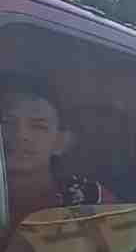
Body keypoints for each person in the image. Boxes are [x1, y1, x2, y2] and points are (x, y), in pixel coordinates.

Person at [2, 82, 112, 227]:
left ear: (61, 142)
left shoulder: (90, 198)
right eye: (6, 122)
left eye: (38, 126)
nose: (20, 134)